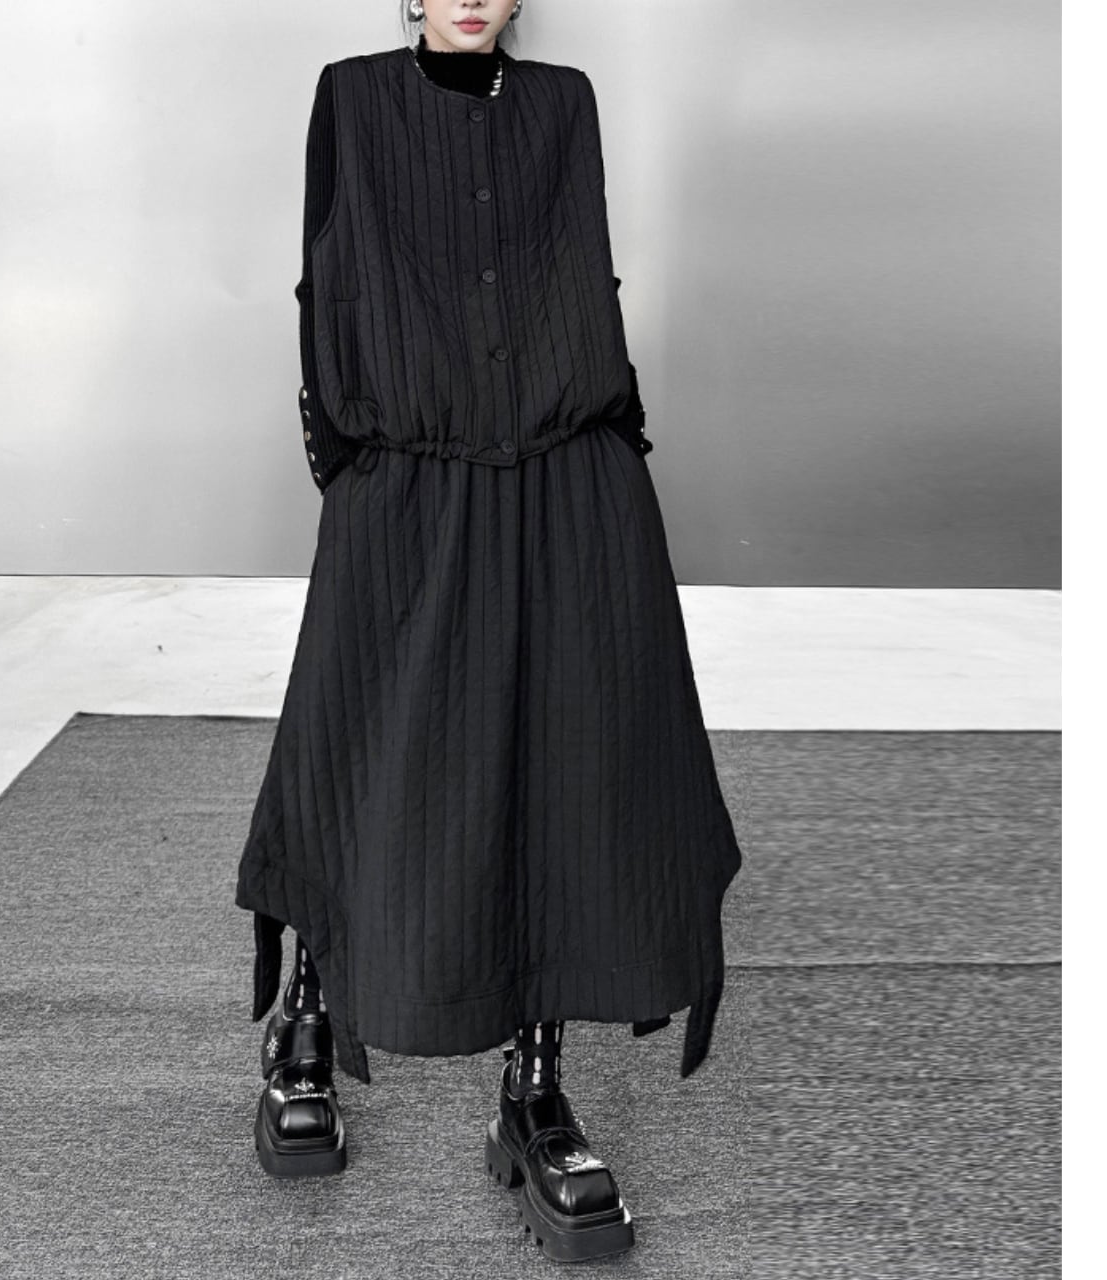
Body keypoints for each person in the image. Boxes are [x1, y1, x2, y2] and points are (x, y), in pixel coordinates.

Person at [235, 1, 744, 1261]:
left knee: (569, 765)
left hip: (569, 472)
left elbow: (582, 272)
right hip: (407, 473)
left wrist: (613, 454)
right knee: (361, 747)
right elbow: (323, 282)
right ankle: (306, 1018)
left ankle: (533, 1089)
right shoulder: (353, 97)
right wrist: (355, 467)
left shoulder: (563, 105)